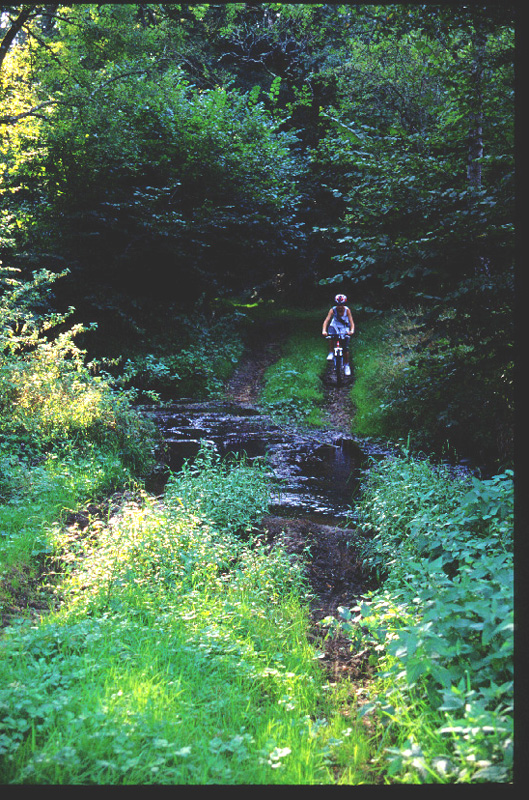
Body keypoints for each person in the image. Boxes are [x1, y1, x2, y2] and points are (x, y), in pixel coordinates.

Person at [322, 294, 355, 376]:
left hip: (344, 327)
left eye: (341, 305)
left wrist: (352, 330)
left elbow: (351, 322)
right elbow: (327, 320)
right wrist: (324, 330)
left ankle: (347, 365)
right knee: (331, 336)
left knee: (345, 348)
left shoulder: (347, 310)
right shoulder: (333, 310)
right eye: (338, 305)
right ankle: (331, 352)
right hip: (335, 326)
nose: (340, 307)